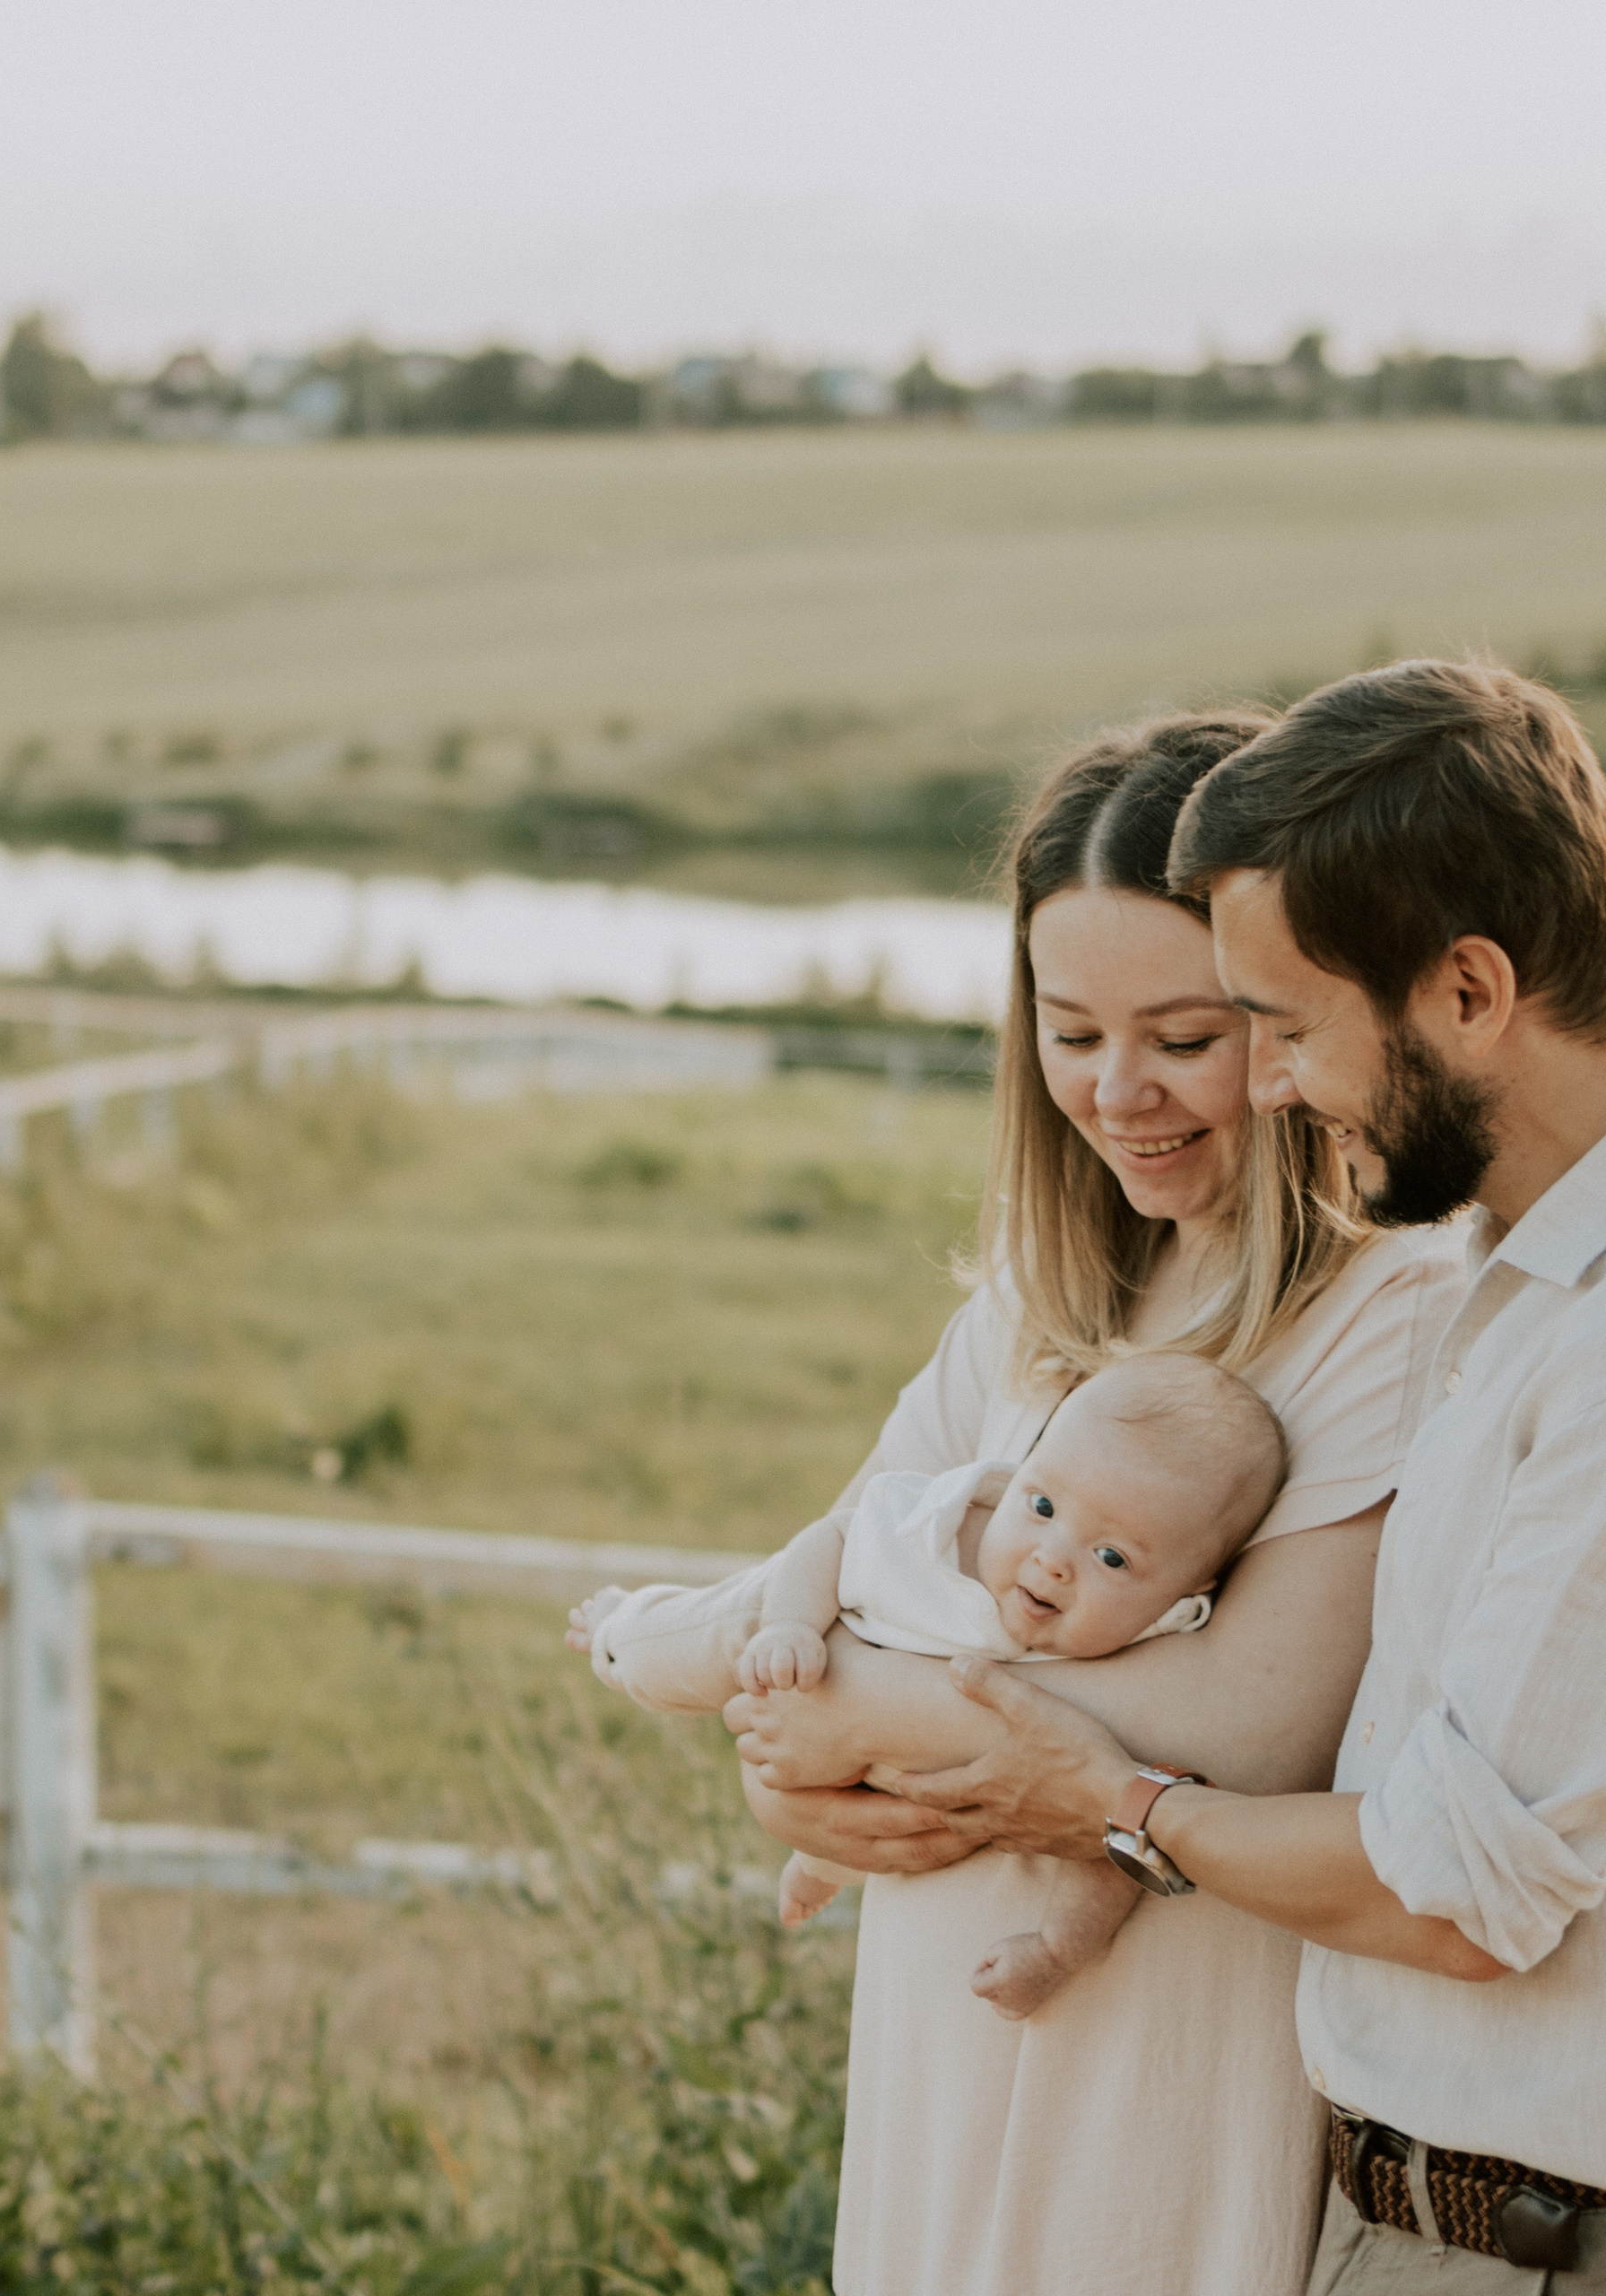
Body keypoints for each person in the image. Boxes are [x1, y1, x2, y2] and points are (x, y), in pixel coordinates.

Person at [873, 659, 1606, 2292]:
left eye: (1272, 1026)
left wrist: (1113, 1803)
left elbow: (1450, 1879)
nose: (1268, 1084)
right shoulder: (1501, 1287)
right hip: (1402, 2211)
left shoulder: (1529, 1329)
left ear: (1468, 992)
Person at [720, 709, 1464, 2296]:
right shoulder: (1033, 1295)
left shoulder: (1391, 1308)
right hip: (937, 2013)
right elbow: (836, 1568)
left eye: (1186, 1039)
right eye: (1071, 1033)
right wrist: (796, 1783)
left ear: (1294, 1012)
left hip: (1174, 2035)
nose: (1120, 1093)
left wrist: (847, 1713)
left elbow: (1248, 1721)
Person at [568, 1352, 1285, 2017]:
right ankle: (620, 1631)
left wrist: (1056, 1950)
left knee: (1107, 1832)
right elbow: (833, 1537)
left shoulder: (1157, 1648)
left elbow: (1122, 1832)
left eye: (1112, 1558)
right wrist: (791, 1626)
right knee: (729, 1628)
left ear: (1188, 1593)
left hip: (920, 1802)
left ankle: (838, 1874)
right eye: (1041, 1508)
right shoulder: (942, 1529)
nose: (1052, 1559)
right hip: (826, 1677)